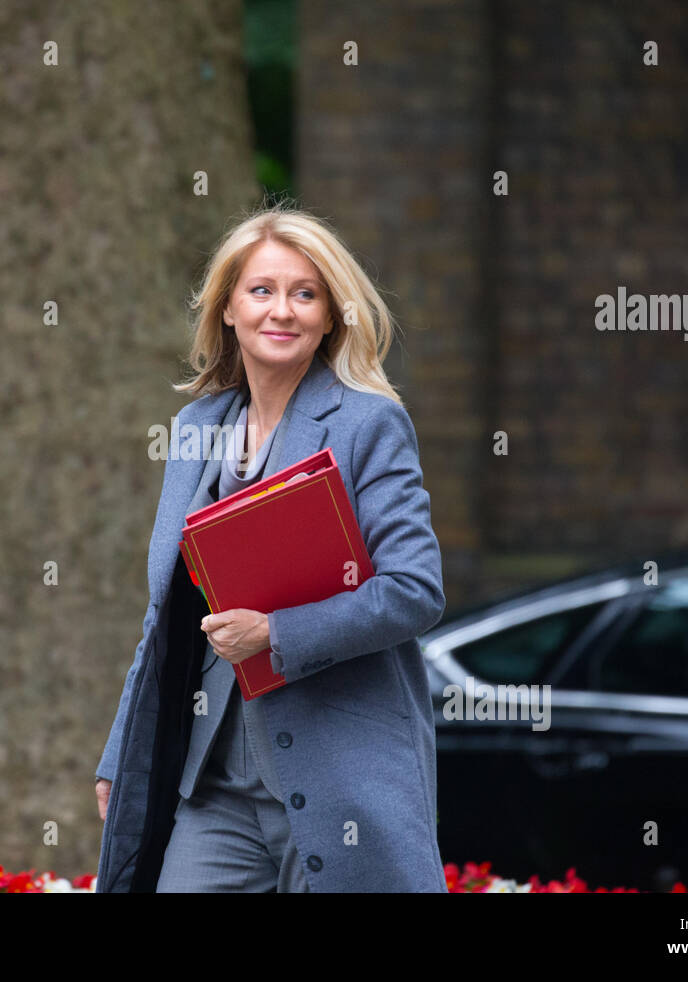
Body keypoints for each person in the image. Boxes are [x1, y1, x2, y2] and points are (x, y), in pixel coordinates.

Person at [94, 203, 447, 892]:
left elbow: (414, 591)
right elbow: (163, 615)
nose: (281, 311)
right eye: (262, 291)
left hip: (336, 774)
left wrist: (276, 634)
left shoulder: (369, 424)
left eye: (304, 293)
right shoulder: (196, 428)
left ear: (329, 315)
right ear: (229, 309)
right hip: (213, 785)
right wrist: (121, 758)